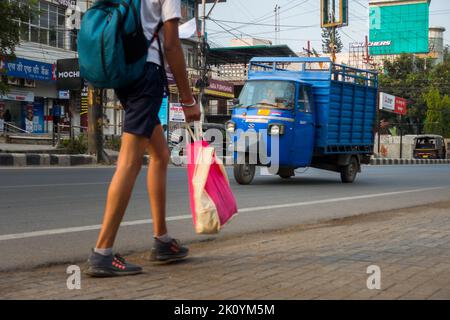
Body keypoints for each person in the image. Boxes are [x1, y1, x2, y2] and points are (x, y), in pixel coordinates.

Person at [86, 0, 201, 277]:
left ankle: (162, 240)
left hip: (125, 73)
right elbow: (172, 45)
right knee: (129, 162)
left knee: (160, 154)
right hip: (147, 74)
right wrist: (187, 100)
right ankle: (102, 252)